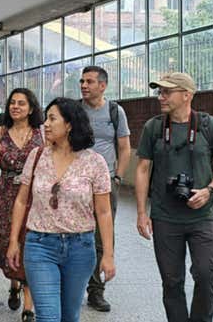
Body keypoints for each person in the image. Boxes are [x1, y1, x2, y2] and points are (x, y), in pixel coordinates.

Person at [136, 73, 213, 322]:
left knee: (206, 273)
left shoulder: (210, 126)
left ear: (187, 95)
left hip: (202, 216)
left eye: (168, 92)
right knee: (171, 281)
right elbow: (143, 169)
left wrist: (209, 191)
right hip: (165, 217)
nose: (162, 97)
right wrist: (141, 213)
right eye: (160, 92)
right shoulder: (154, 127)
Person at [7, 97, 115, 322]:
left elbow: (103, 212)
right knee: (48, 317)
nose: (45, 124)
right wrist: (14, 241)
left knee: (69, 316)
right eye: (45, 118)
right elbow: (21, 201)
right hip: (39, 245)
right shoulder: (36, 157)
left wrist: (108, 255)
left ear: (69, 125)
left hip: (80, 248)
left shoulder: (95, 162)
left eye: (52, 118)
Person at [0, 88, 45, 322]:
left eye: (22, 103)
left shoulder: (41, 132)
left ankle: (28, 307)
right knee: (8, 243)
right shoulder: (1, 132)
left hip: (33, 196)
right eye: (12, 103)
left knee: (29, 243)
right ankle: (14, 283)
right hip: (6, 195)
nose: (16, 107)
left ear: (31, 108)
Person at [79, 66, 131, 312]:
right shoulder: (75, 111)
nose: (84, 85)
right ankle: (71, 284)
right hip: (77, 182)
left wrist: (118, 177)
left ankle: (96, 291)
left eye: (89, 81)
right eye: (82, 81)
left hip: (106, 182)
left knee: (102, 236)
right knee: (74, 234)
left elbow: (124, 147)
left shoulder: (115, 111)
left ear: (103, 85)